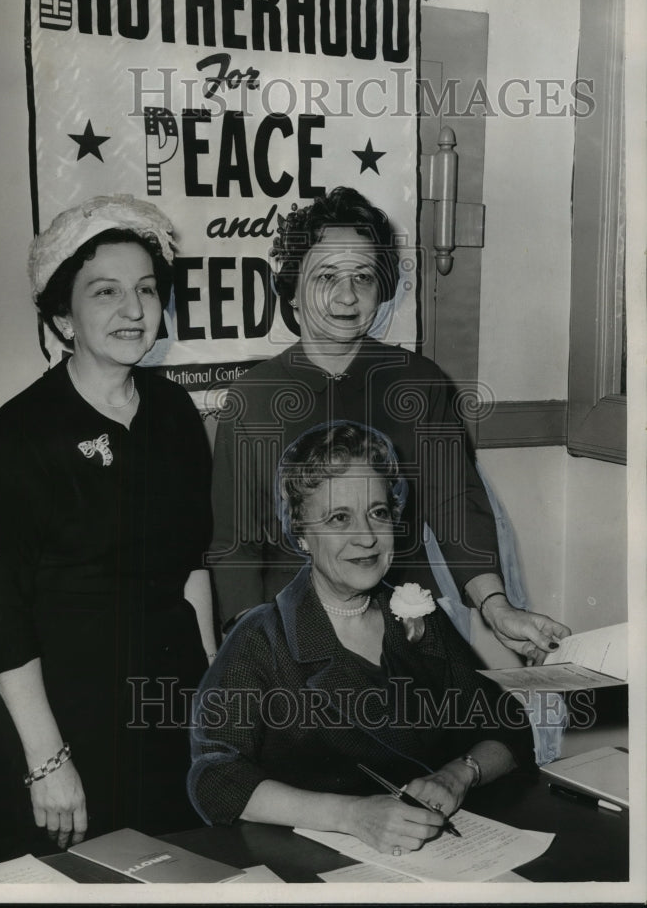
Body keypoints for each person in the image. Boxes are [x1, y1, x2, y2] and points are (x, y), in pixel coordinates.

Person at [209, 186, 570, 661]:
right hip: (291, 636)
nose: (346, 295)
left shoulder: (418, 381)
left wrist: (496, 606)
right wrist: (253, 648)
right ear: (291, 288)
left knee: (490, 733)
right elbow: (235, 544)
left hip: (407, 626)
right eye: (326, 277)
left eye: (363, 276)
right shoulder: (253, 397)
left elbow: (455, 504)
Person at [0, 195, 216, 866]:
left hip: (168, 709)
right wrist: (47, 761)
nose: (133, 311)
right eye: (105, 292)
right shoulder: (19, 436)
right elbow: (2, 613)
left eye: (145, 290)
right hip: (60, 721)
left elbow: (194, 567)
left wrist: (214, 696)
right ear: (61, 316)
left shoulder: (174, 412)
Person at [189, 422, 535, 850]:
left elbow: (508, 724)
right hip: (307, 863)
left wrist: (458, 774)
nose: (367, 536)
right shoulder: (262, 638)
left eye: (378, 512)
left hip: (433, 854)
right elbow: (214, 778)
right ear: (301, 533)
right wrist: (352, 816)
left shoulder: (419, 619)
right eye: (339, 517)